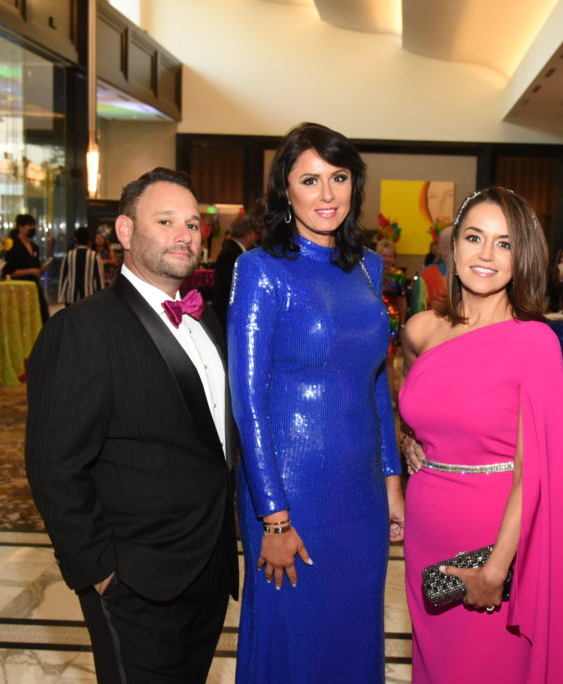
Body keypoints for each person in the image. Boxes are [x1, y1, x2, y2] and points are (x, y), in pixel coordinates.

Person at [25, 168, 239, 683]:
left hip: (208, 567)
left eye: (192, 223)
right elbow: (55, 465)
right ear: (125, 231)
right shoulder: (82, 329)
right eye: (165, 221)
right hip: (134, 578)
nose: (184, 234)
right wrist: (99, 571)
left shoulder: (206, 319)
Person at [228, 122, 403, 683]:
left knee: (354, 632)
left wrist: (392, 481)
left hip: (361, 493)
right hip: (290, 492)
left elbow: (376, 381)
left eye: (339, 178)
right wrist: (273, 518)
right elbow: (247, 401)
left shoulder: (369, 269)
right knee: (293, 639)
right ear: (286, 191)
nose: (327, 195)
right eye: (310, 180)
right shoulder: (260, 270)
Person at [399, 187, 563, 682]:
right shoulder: (421, 329)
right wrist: (410, 438)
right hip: (426, 528)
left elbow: (532, 473)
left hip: (493, 535)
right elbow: (415, 400)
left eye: (505, 243)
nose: (485, 254)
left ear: (523, 259)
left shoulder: (534, 342)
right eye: (474, 237)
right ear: (452, 248)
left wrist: (497, 568)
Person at [211, 213, 259, 328]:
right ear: (249, 234)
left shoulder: (234, 250)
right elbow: (229, 287)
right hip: (226, 313)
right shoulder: (232, 254)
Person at [3, 214, 51, 323]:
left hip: (33, 286)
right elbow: (9, 271)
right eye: (29, 225)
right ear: (20, 227)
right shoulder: (12, 245)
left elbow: (36, 267)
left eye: (33, 225)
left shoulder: (34, 247)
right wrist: (30, 271)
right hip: (19, 288)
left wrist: (40, 270)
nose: (32, 228)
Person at [57, 227, 104, 306]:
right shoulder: (95, 256)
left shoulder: (69, 255)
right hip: (89, 297)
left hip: (71, 297)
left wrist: (61, 297)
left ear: (76, 239)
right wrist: (101, 298)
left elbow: (64, 277)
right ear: (89, 240)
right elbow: (99, 279)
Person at [410, 226, 452, 314]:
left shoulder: (468, 273)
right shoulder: (426, 274)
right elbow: (418, 310)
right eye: (448, 246)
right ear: (440, 249)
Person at [548, 247, 563, 312]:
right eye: (562, 256)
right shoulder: (553, 272)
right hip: (555, 308)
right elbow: (551, 291)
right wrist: (561, 280)